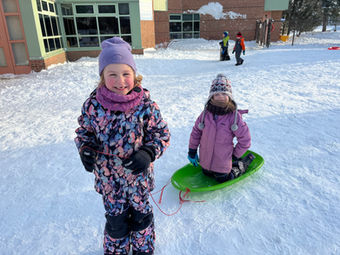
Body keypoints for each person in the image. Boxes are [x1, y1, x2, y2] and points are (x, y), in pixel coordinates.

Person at [75, 37, 170, 255]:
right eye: (112, 74)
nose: (120, 81)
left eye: (126, 73)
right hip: (110, 183)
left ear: (134, 75)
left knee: (141, 218)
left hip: (139, 180)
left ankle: (142, 249)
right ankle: (116, 251)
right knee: (116, 222)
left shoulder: (146, 105)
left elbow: (161, 134)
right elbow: (84, 133)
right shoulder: (92, 106)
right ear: (102, 77)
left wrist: (148, 152)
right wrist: (85, 149)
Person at [187, 74, 253, 183]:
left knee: (223, 179)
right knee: (206, 173)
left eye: (224, 93)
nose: (220, 97)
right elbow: (196, 133)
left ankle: (243, 163)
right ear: (211, 96)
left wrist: (235, 155)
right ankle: (210, 168)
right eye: (217, 94)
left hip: (223, 163)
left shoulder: (234, 117)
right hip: (205, 161)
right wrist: (192, 151)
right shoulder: (205, 115)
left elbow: (245, 139)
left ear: (230, 96)